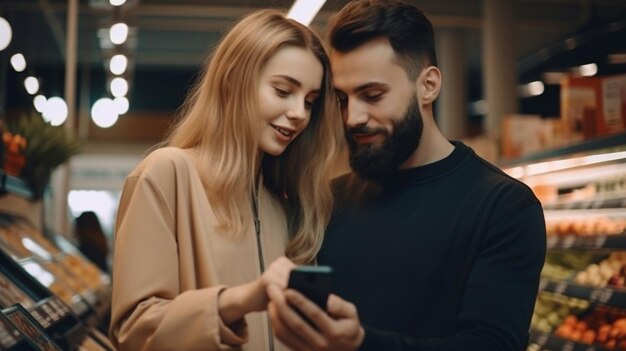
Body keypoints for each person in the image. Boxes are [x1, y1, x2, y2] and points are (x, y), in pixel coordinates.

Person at [266, 1, 547, 350]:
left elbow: (492, 344)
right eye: (342, 99)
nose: (353, 117)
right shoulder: (328, 201)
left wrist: (360, 344)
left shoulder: (504, 206)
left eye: (372, 95)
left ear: (428, 85)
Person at [109, 9, 342, 351]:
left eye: (310, 101)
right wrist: (241, 300)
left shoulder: (287, 206)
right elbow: (134, 329)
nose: (299, 113)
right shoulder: (167, 173)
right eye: (282, 91)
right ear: (234, 80)